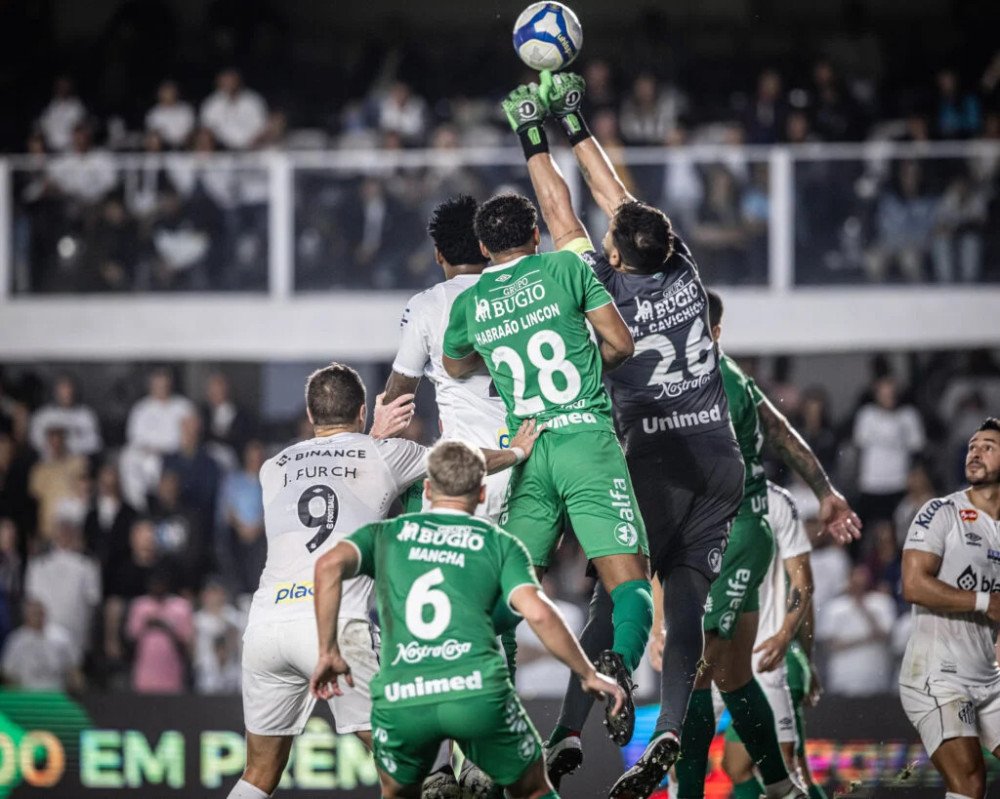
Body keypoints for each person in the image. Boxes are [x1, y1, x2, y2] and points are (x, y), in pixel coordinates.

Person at [499, 74, 742, 788]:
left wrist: (532, 133)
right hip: (719, 459)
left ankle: (571, 727)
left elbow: (561, 206)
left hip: (655, 462)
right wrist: (578, 121)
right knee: (689, 599)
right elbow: (620, 200)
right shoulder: (682, 269)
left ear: (615, 257)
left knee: (618, 590)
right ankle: (668, 727)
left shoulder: (601, 284)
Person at [224, 363, 538, 799]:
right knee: (426, 765)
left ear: (311, 417)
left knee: (257, 774)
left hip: (265, 628)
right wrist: (518, 452)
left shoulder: (273, 467)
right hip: (332, 624)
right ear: (361, 411)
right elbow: (458, 465)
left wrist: (371, 434)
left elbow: (329, 470)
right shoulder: (381, 455)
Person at [441, 190, 652, 747]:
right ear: (535, 236)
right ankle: (619, 667)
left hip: (528, 448)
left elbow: (453, 363)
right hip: (585, 437)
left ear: (484, 248)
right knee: (631, 584)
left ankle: (486, 720)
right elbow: (622, 344)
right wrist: (583, 362)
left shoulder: (471, 301)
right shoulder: (563, 266)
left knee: (509, 592)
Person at [308, 439, 625, 799]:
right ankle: (478, 768)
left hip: (405, 699)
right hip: (476, 693)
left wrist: (328, 650)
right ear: (480, 494)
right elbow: (537, 611)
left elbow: (328, 565)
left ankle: (439, 773)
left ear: (427, 489)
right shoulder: (498, 544)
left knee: (397, 792)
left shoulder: (386, 535)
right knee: (534, 787)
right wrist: (587, 674)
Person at [384, 195, 509, 522]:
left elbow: (399, 395)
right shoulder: (516, 291)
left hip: (468, 469)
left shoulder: (428, 305)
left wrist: (378, 449)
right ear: (486, 247)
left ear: (438, 254)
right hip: (528, 456)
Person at [899, 418, 1000, 799]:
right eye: (973, 445)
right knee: (970, 780)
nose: (975, 451)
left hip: (988, 678)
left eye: (988, 446)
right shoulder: (941, 512)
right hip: (937, 676)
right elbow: (913, 585)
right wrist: (984, 602)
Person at [719, 483, 826, 799]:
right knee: (742, 766)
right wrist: (808, 661)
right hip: (779, 658)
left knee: (785, 770)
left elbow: (803, 599)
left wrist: (802, 659)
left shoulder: (772, 546)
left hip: (774, 659)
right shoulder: (774, 545)